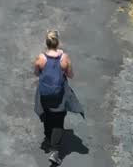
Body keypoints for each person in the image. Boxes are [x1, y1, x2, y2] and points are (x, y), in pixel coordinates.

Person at [32, 30, 83, 164]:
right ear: (58, 42)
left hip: (44, 95)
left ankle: (48, 138)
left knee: (47, 116)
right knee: (58, 121)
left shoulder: (40, 58)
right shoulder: (64, 58)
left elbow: (36, 73)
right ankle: (55, 150)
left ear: (46, 42)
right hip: (60, 95)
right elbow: (71, 75)